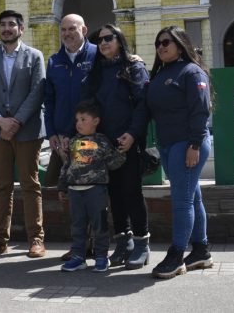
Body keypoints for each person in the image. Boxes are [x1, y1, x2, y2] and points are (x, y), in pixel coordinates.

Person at [0, 9, 47, 258]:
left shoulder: (35, 56)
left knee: (30, 184)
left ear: (21, 28)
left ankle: (36, 240)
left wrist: (15, 121)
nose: (6, 29)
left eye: (11, 24)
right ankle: (0, 240)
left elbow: (38, 91)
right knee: (2, 186)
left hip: (27, 130)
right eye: (3, 25)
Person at [81, 23, 151, 269]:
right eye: (99, 40)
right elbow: (90, 106)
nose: (103, 43)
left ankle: (142, 244)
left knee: (132, 193)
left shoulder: (134, 67)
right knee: (115, 196)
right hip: (105, 146)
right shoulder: (96, 72)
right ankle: (124, 243)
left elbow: (143, 106)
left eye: (108, 38)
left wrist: (132, 135)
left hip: (129, 143)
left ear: (120, 40)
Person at [145, 26, 213, 279]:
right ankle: (201, 251)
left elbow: (200, 110)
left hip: (187, 144)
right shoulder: (161, 73)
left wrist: (194, 145)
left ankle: (176, 255)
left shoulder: (191, 72)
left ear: (181, 44)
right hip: (168, 144)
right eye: (158, 43)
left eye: (166, 42)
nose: (161, 47)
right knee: (192, 198)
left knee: (181, 201)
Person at [43, 13, 98, 261]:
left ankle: (97, 244)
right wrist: (53, 133)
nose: (67, 33)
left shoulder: (98, 55)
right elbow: (50, 100)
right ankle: (80, 245)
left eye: (72, 28)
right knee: (72, 194)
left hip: (90, 138)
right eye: (63, 29)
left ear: (84, 29)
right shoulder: (54, 61)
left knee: (93, 194)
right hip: (64, 139)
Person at [57, 100, 126, 273]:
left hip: (96, 191)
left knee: (100, 225)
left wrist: (122, 153)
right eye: (77, 120)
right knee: (78, 226)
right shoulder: (72, 142)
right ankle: (78, 257)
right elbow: (67, 166)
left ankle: (101, 257)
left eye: (83, 119)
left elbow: (113, 163)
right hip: (74, 191)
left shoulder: (102, 141)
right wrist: (62, 186)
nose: (78, 123)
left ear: (95, 121)